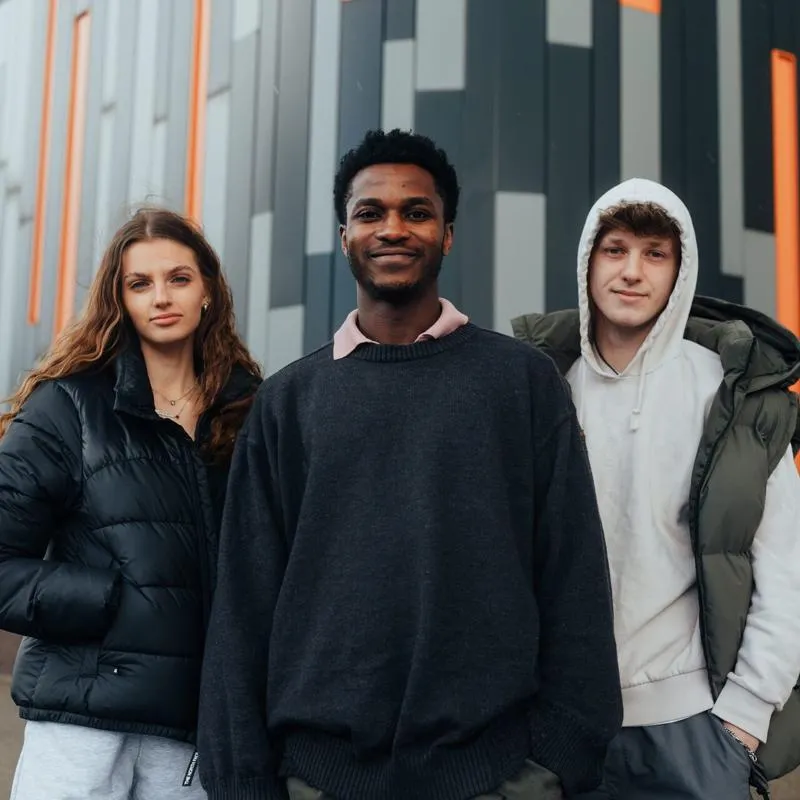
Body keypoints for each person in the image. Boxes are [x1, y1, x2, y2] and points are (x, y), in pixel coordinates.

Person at [196, 129, 622, 800]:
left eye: (416, 212)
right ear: (344, 235)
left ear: (447, 234)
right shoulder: (287, 404)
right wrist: (246, 782)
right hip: (317, 779)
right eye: (370, 212)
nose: (392, 227)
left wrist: (558, 763)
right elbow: (243, 611)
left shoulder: (523, 384)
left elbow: (574, 580)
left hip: (496, 775)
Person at [511, 178, 800, 800]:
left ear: (680, 269)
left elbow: (786, 567)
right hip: (552, 729)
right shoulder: (536, 389)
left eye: (654, 253)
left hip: (692, 730)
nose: (632, 272)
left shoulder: (734, 394)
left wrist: (743, 720)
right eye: (614, 250)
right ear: (588, 260)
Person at [0, 208, 262, 800]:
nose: (161, 297)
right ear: (118, 299)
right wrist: (108, 600)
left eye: (179, 278)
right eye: (139, 283)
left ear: (209, 292)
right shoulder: (66, 409)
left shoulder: (250, 414)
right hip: (82, 719)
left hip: (194, 724)